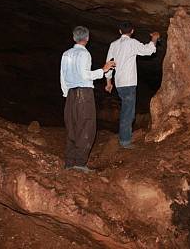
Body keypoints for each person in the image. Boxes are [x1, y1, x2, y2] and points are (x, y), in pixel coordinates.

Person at [60, 26, 115, 173]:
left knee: (72, 127)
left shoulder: (66, 54)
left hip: (71, 94)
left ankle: (69, 162)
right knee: (86, 127)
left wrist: (67, 95)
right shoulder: (85, 54)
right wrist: (103, 70)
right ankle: (79, 163)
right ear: (87, 38)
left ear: (73, 38)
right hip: (84, 93)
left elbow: (62, 76)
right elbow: (85, 75)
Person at [105, 21, 160, 149]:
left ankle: (124, 137)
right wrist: (154, 38)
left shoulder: (113, 45)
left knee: (126, 109)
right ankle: (125, 141)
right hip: (129, 83)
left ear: (119, 31)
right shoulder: (132, 43)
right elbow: (148, 51)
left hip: (119, 83)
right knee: (128, 112)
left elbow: (109, 64)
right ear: (132, 31)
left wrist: (109, 82)